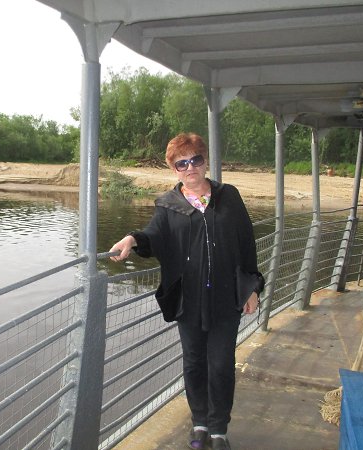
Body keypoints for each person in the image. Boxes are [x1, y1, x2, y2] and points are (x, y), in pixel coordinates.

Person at [109, 132, 262, 450]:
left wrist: (252, 286)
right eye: (182, 163)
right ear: (173, 169)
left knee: (221, 364)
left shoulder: (229, 196)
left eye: (196, 159)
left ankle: (219, 429)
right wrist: (132, 239)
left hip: (226, 298)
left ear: (205, 162)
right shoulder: (168, 205)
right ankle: (200, 423)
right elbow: (153, 234)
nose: (190, 167)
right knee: (194, 362)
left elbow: (246, 243)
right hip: (188, 300)